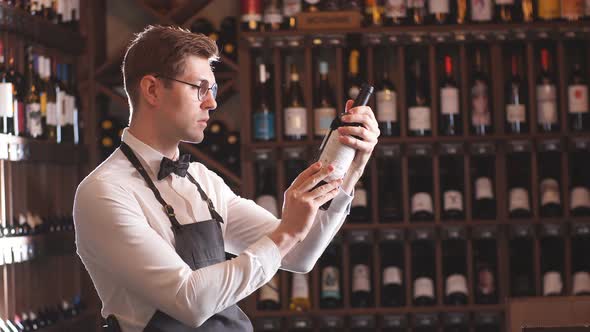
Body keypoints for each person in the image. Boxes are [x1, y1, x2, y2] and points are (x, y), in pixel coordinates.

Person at [73, 25, 380, 332]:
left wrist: (352, 168)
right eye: (199, 88)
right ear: (152, 89)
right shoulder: (104, 192)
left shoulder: (203, 180)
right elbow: (188, 301)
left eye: (213, 90)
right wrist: (286, 231)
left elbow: (300, 256)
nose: (212, 103)